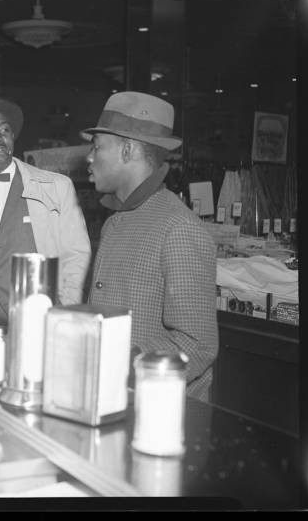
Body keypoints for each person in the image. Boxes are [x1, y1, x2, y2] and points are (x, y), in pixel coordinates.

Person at [82, 91, 218, 402]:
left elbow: (198, 344)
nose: (89, 157)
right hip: (115, 401)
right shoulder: (116, 219)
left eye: (97, 147)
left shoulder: (178, 228)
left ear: (127, 150)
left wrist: (123, 364)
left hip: (162, 413)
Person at [0, 91, 91, 326]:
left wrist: (64, 314)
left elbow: (76, 256)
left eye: (4, 130)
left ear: (13, 136)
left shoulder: (57, 187)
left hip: (40, 328)